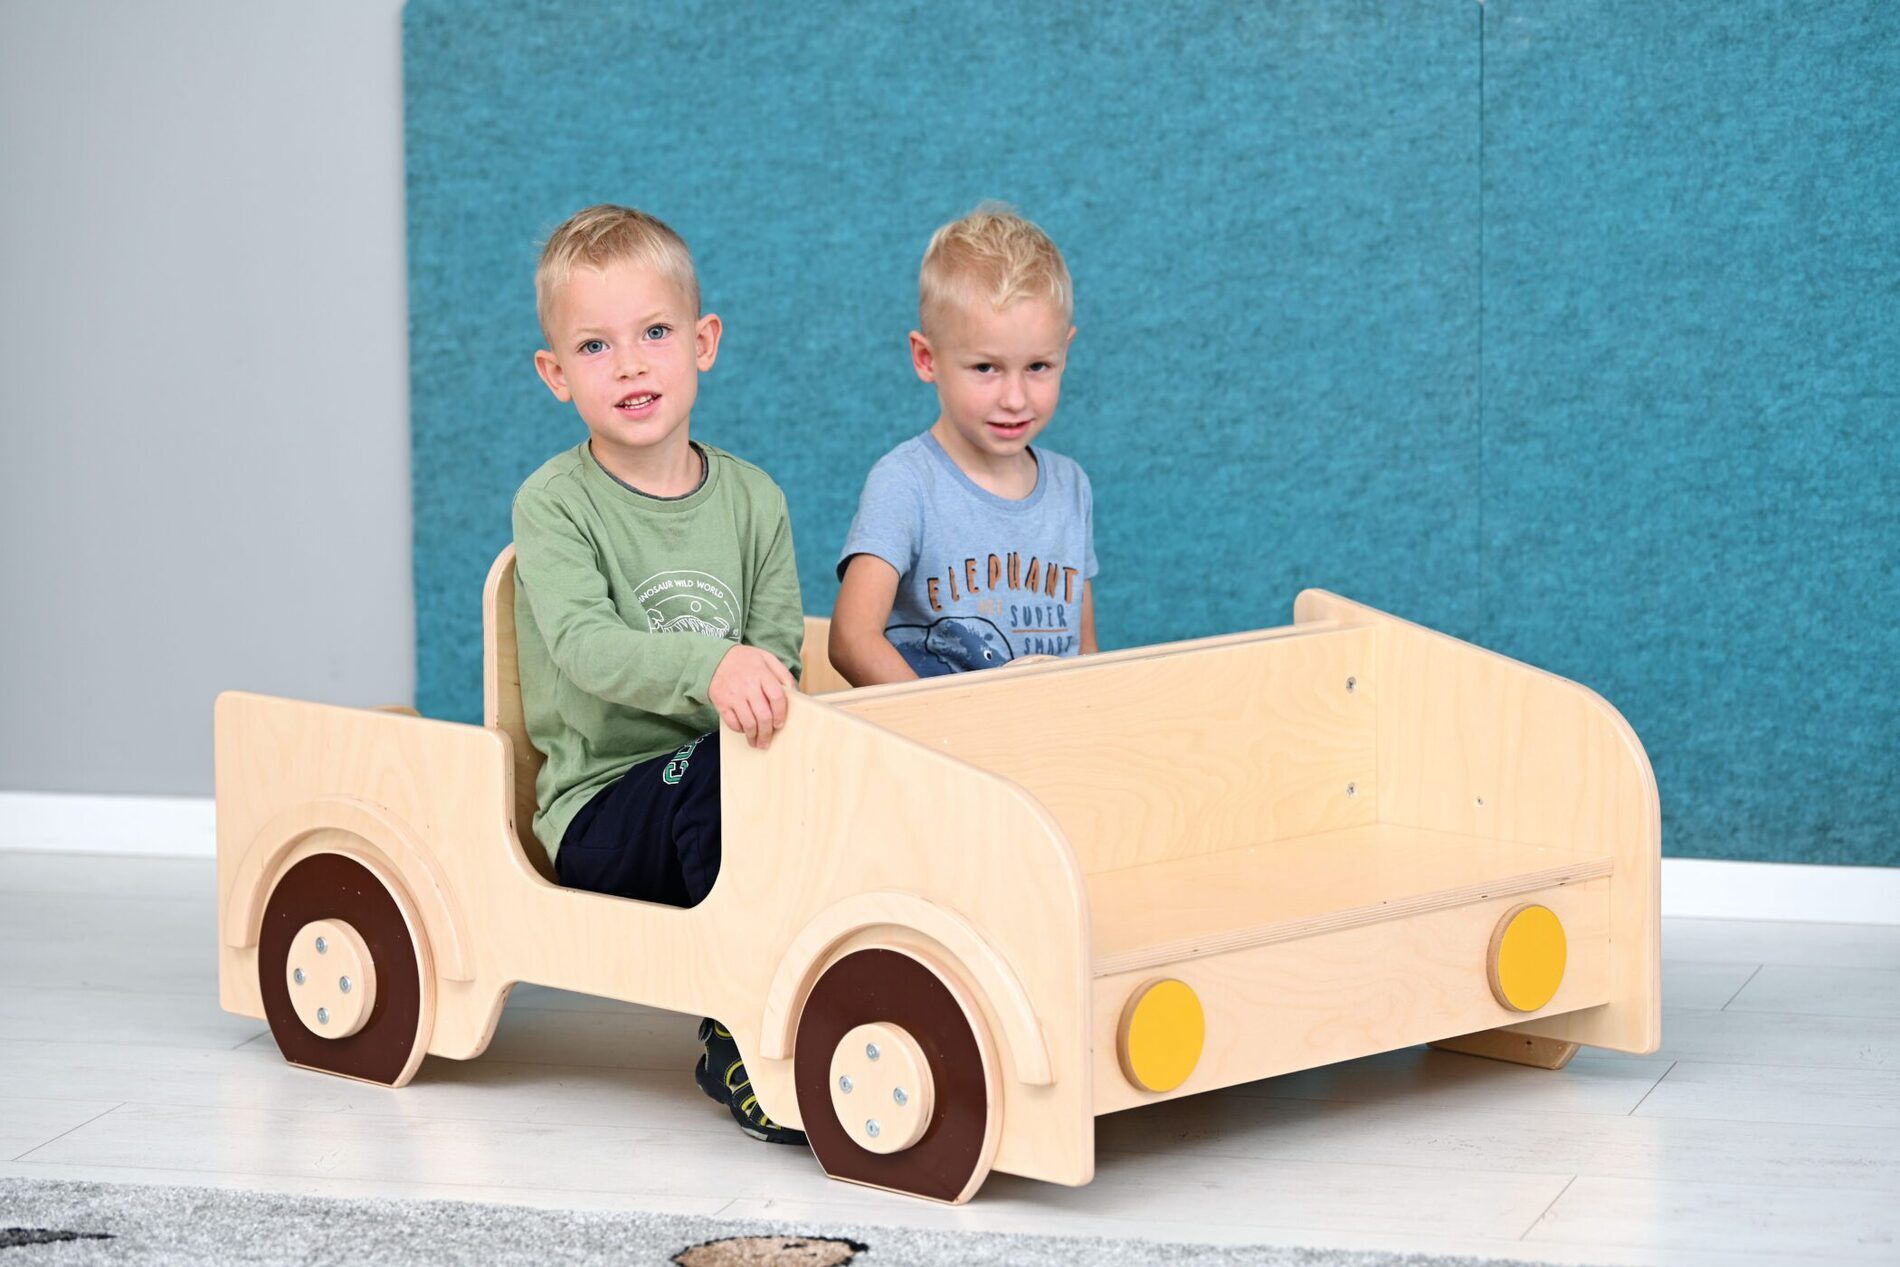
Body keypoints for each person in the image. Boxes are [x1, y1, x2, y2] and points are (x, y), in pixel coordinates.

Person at [512, 204, 805, 1143]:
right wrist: (712, 665)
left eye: (654, 333)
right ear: (557, 374)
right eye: (595, 346)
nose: (631, 365)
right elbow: (584, 646)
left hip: (727, 782)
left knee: (803, 769)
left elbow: (779, 657)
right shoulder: (556, 504)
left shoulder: (754, 500)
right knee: (722, 772)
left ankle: (822, 992)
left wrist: (755, 684)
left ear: (702, 342)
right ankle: (737, 1029)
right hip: (603, 810)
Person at [830, 204, 1097, 685]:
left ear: (1066, 351)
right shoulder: (906, 482)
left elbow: (1086, 654)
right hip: (938, 730)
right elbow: (851, 639)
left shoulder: (1070, 486)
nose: (1014, 399)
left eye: (1038, 366)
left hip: (1049, 728)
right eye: (985, 368)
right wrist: (941, 722)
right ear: (926, 358)